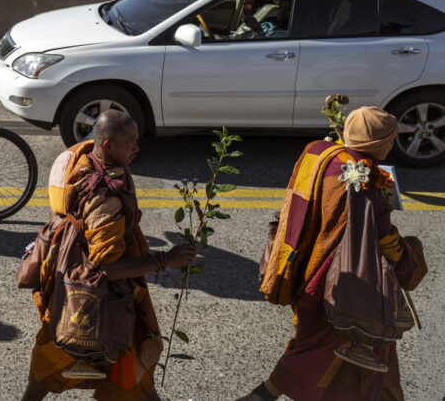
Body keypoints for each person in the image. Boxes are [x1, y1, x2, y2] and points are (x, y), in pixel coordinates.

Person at [242, 106, 423, 401]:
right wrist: (409, 266)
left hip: (305, 263)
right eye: (390, 139)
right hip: (344, 284)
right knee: (319, 347)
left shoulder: (322, 155)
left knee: (338, 349)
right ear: (377, 144)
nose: (393, 144)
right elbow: (386, 239)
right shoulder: (365, 180)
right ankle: (263, 394)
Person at [21, 110, 197, 401]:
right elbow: (107, 267)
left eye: (137, 140)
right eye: (130, 143)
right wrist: (166, 259)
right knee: (120, 362)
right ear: (107, 146)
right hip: (99, 299)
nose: (137, 148)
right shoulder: (106, 197)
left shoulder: (84, 159)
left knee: (54, 362)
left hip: (67, 279)